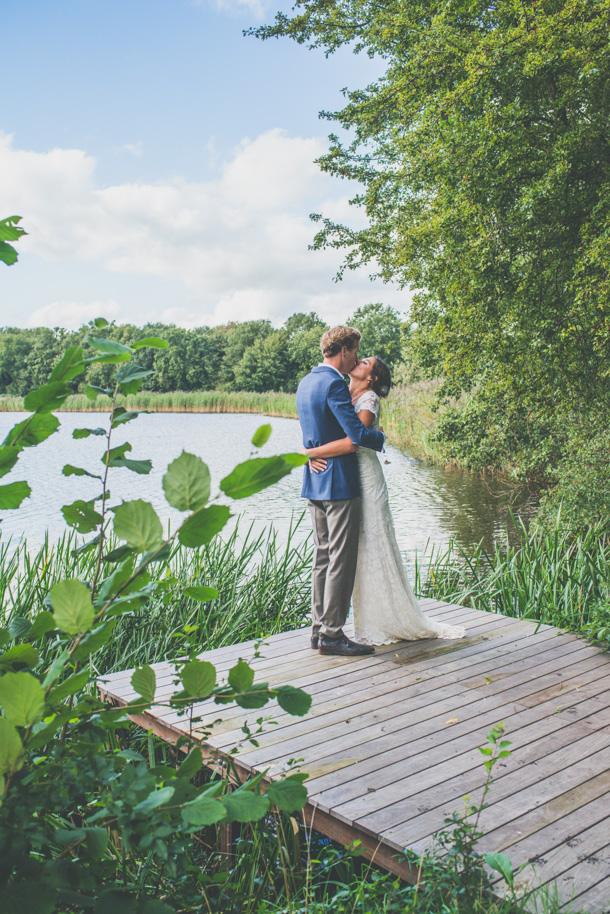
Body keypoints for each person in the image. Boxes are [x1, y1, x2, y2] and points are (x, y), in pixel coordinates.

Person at [301, 355, 466, 645]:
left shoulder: (369, 400)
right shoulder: (340, 390)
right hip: (342, 477)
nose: (358, 360)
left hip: (364, 477)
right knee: (346, 551)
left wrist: (313, 454)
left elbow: (357, 440)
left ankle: (380, 617)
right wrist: (310, 452)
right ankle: (336, 626)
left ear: (372, 377)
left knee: (371, 544)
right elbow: (325, 431)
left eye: (365, 361)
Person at [296, 326, 386, 656]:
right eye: (356, 352)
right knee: (341, 559)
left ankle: (318, 631)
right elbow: (356, 437)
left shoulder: (306, 382)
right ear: (345, 350)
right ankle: (333, 634)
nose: (356, 359)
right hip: (339, 482)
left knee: (322, 556)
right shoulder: (334, 382)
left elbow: (311, 435)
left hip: (314, 481)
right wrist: (381, 439)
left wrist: (310, 455)